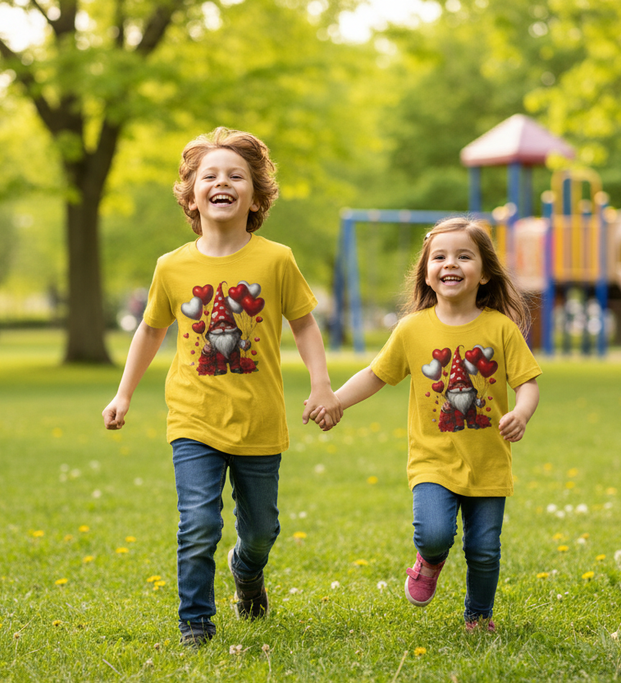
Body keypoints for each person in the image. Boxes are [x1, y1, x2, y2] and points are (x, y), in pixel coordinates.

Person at [102, 127, 342, 648]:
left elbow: (303, 324)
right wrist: (123, 394)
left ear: (256, 195)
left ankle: (246, 571)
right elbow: (150, 329)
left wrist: (322, 385)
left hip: (259, 418)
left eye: (236, 175)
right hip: (194, 417)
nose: (222, 182)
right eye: (209, 175)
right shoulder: (172, 266)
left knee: (261, 532)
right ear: (191, 194)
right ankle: (196, 622)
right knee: (197, 526)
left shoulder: (276, 259)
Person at [318, 216, 541, 633]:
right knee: (434, 533)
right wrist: (336, 401)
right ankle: (429, 560)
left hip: (488, 460)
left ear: (485, 271)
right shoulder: (412, 329)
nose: (450, 263)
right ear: (426, 271)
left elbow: (527, 383)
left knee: (485, 549)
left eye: (463, 256)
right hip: (432, 459)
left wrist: (521, 412)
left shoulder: (500, 328)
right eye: (439, 256)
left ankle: (478, 617)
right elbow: (375, 374)